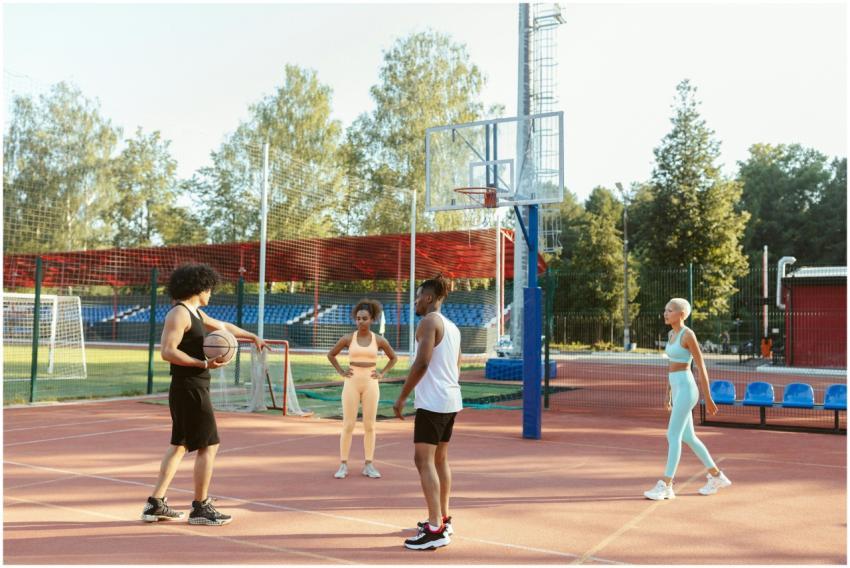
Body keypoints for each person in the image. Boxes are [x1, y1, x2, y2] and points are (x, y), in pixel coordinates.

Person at [140, 263, 266, 526]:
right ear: (199, 287)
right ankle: (201, 507)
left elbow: (224, 326)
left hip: (192, 386)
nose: (211, 293)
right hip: (189, 387)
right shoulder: (179, 314)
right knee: (209, 445)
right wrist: (202, 364)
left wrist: (251, 336)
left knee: (181, 445)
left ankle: (155, 503)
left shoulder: (194, 312)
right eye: (209, 288)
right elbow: (167, 351)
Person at [393, 275, 461, 550]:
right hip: (450, 398)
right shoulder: (453, 327)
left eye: (419, 296)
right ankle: (443, 518)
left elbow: (422, 363)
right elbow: (456, 366)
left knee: (423, 461)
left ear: (430, 298)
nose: (416, 301)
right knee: (440, 460)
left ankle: (435, 529)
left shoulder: (429, 322)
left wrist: (401, 397)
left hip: (433, 402)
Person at [644, 298, 732, 501]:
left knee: (672, 435)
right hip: (677, 388)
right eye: (665, 310)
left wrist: (708, 398)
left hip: (687, 388)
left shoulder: (687, 334)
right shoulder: (671, 334)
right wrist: (668, 393)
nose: (665, 313)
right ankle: (716, 476)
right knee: (688, 437)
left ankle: (666, 484)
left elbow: (701, 366)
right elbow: (671, 366)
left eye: (670, 310)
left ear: (682, 314)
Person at [327, 299, 398, 479]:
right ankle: (343, 464)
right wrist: (341, 371)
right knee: (348, 424)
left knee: (370, 425)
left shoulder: (379, 340)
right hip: (351, 382)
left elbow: (393, 358)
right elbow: (331, 354)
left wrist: (382, 373)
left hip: (370, 383)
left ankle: (369, 464)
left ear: (372, 319)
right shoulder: (348, 338)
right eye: (358, 318)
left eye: (364, 318)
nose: (361, 322)